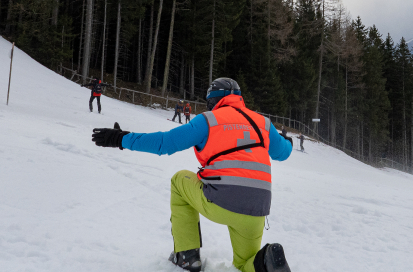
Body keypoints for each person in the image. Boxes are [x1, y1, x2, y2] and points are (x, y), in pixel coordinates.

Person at [92, 77, 293, 272]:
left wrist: (121, 139)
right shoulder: (263, 123)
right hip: (257, 208)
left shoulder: (209, 120)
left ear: (212, 101)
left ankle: (187, 257)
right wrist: (288, 142)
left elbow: (165, 143)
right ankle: (266, 265)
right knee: (244, 265)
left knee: (180, 180)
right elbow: (283, 152)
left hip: (221, 200)